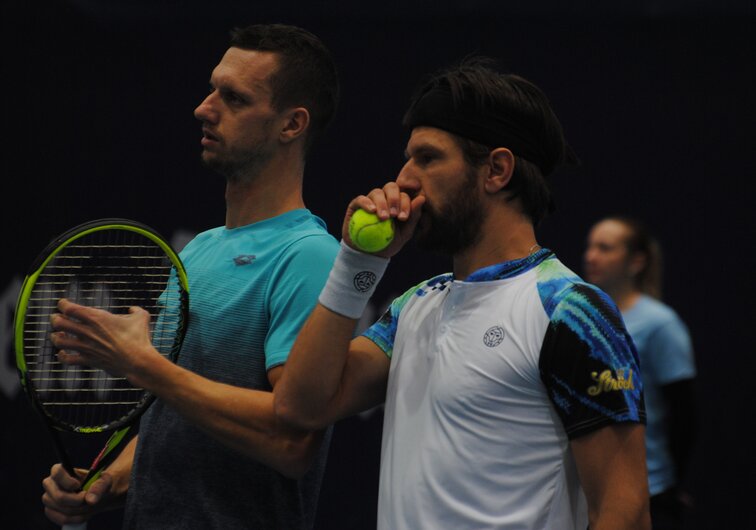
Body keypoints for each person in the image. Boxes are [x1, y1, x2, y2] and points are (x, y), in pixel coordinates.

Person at [274, 57, 651, 530]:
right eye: (408, 158)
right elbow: (301, 406)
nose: (404, 179)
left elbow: (627, 511)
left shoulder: (572, 312)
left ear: (496, 170)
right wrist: (357, 263)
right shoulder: (414, 306)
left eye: (428, 158)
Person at [43, 23, 341, 529]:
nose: (204, 108)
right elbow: (174, 418)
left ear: (292, 125)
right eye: (211, 88)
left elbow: (291, 443)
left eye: (234, 98)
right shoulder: (200, 249)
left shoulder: (309, 256)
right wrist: (106, 483)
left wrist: (144, 365)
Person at [584, 216, 697, 530]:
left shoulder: (661, 325)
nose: (591, 256)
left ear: (636, 261)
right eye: (590, 246)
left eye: (605, 248)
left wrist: (671, 481)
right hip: (593, 488)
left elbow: (684, 415)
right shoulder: (582, 320)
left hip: (649, 489)